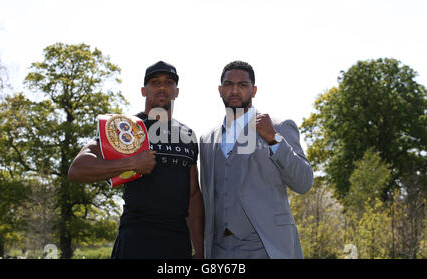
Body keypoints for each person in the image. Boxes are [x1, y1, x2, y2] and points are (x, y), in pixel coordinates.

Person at [68, 61, 204, 259]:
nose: (162, 87)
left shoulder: (187, 135)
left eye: (168, 82)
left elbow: (193, 195)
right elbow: (77, 169)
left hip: (177, 242)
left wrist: (199, 248)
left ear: (176, 91)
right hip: (136, 240)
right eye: (155, 82)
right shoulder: (125, 128)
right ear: (144, 90)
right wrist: (131, 163)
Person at [199, 60, 313, 259]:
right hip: (219, 250)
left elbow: (303, 182)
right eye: (228, 84)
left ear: (254, 90)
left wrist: (273, 139)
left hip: (266, 246)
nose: (235, 90)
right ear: (219, 89)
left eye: (242, 85)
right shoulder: (207, 139)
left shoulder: (280, 127)